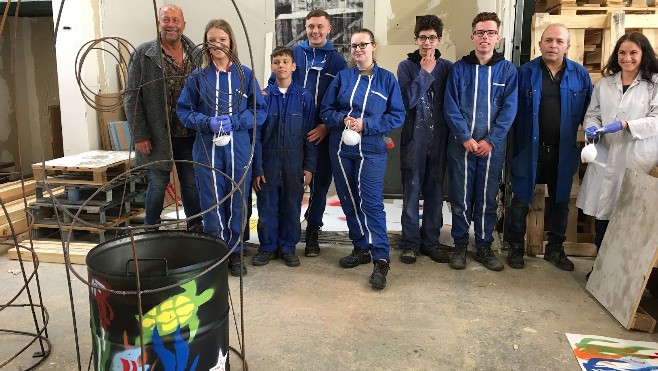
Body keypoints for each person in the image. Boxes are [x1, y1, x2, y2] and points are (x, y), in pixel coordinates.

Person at [177, 19, 267, 277]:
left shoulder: (245, 75)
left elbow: (260, 111)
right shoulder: (197, 77)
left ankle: (237, 250)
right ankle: (217, 250)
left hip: (238, 146)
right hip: (207, 147)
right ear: (205, 44)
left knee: (238, 196)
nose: (217, 45)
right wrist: (207, 122)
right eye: (212, 40)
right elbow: (184, 111)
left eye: (222, 40)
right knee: (212, 198)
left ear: (231, 42)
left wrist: (235, 121)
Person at [320, 29, 405, 290]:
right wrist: (343, 120)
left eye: (363, 45)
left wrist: (366, 124)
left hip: (371, 148)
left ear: (373, 47)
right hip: (341, 148)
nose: (358, 50)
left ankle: (381, 259)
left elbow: (397, 116)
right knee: (348, 200)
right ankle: (360, 247)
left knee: (371, 202)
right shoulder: (343, 77)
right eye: (354, 46)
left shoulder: (387, 80)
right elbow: (326, 109)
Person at [507, 24, 592, 270]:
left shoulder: (580, 75)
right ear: (540, 43)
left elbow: (592, 111)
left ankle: (555, 249)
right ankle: (515, 247)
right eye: (548, 40)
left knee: (560, 200)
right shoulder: (523, 73)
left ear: (567, 46)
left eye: (559, 41)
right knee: (520, 198)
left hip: (563, 150)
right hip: (528, 148)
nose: (553, 45)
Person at [577, 31, 658, 276]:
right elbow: (593, 112)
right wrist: (592, 126)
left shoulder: (654, 84)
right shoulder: (605, 84)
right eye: (622, 52)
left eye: (633, 52)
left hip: (637, 157)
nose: (627, 58)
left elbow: (656, 120)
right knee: (604, 211)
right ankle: (601, 268)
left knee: (631, 215)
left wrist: (626, 125)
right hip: (606, 155)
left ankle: (626, 274)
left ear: (643, 55)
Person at [443, 12, 518, 271]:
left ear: (497, 37)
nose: (485, 38)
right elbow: (450, 106)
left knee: (487, 197)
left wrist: (491, 140)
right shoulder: (459, 69)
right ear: (472, 36)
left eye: (490, 33)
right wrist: (465, 137)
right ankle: (460, 245)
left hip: (491, 149)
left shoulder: (507, 70)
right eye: (480, 33)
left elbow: (509, 109)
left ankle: (484, 246)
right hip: (461, 147)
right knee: (461, 196)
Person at [124, 4, 202, 232]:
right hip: (158, 134)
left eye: (175, 20)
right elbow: (131, 97)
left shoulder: (196, 54)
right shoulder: (143, 54)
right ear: (159, 23)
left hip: (189, 133)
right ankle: (151, 229)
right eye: (166, 19)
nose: (171, 24)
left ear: (183, 24)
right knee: (157, 183)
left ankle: (195, 225)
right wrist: (139, 134)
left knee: (190, 183)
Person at [285, 9, 348, 257]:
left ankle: (312, 231)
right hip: (293, 134)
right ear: (305, 27)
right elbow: (277, 82)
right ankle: (287, 233)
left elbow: (342, 102)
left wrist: (326, 126)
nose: (315, 31)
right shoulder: (294, 54)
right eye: (311, 26)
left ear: (329, 29)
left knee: (320, 186)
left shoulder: (338, 62)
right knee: (293, 184)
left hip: (323, 134)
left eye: (320, 26)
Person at [251, 46, 318, 268]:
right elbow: (257, 136)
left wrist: (309, 166)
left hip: (294, 163)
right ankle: (267, 247)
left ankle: (288, 247)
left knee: (292, 206)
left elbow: (310, 135)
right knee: (267, 206)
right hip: (269, 162)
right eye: (277, 62)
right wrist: (257, 168)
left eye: (285, 62)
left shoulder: (304, 97)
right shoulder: (263, 97)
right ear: (271, 66)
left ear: (293, 66)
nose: (281, 66)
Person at [396, 15, 453, 265]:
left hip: (440, 138)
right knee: (411, 191)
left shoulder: (448, 67)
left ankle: (430, 241)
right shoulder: (406, 67)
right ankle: (410, 243)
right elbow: (406, 101)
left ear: (439, 40)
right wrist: (425, 73)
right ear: (415, 39)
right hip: (413, 138)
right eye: (423, 38)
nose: (427, 43)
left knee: (435, 191)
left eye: (432, 38)